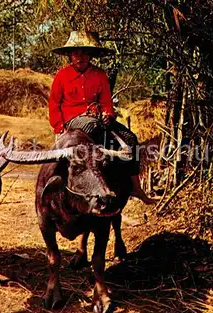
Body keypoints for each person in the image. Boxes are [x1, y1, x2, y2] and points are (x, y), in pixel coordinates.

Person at [49, 30, 155, 204]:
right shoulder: (62, 76)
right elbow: (54, 104)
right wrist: (59, 128)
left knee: (131, 139)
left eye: (84, 53)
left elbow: (106, 101)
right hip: (73, 120)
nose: (80, 57)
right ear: (70, 55)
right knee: (92, 127)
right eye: (76, 53)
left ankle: (136, 188)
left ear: (90, 55)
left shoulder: (100, 75)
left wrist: (108, 114)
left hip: (98, 119)